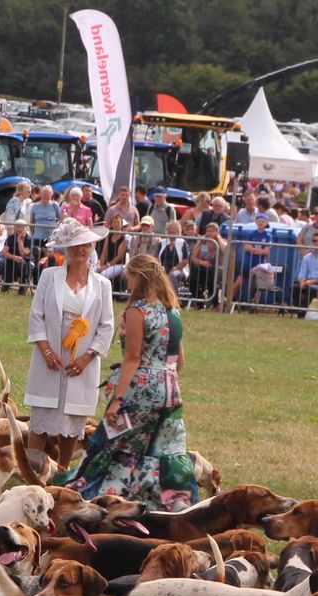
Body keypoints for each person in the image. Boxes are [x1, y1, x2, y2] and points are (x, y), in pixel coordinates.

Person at [68, 255, 198, 508]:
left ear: (139, 277)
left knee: (118, 444)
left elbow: (132, 359)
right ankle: (167, 501)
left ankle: (103, 497)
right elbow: (179, 360)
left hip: (141, 389)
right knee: (163, 448)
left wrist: (117, 400)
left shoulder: (137, 311)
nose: (127, 283)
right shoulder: (173, 312)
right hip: (170, 389)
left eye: (129, 278)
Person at [25, 217, 114, 471]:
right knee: (42, 414)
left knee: (73, 418)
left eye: (86, 245)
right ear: (66, 248)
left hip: (81, 360)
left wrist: (88, 357)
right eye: (76, 245)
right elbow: (37, 316)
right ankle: (31, 468)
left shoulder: (102, 285)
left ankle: (62, 471)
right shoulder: (49, 276)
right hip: (50, 355)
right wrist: (46, 351)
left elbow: (107, 325)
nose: (81, 250)